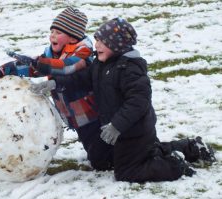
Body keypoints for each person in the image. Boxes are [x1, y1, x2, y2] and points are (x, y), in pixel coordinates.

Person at [31, 18, 216, 182]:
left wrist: (117, 126)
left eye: (102, 42)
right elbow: (82, 78)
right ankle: (187, 148)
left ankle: (175, 165)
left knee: (127, 172)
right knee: (100, 161)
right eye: (96, 40)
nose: (96, 45)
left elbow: (138, 103)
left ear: (117, 45)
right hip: (115, 131)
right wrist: (55, 83)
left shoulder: (131, 69)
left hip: (133, 132)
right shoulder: (101, 64)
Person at [0, 7, 100, 153]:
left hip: (91, 113)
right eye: (52, 31)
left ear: (72, 38)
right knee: (92, 149)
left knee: (100, 156)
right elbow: (32, 68)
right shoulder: (52, 53)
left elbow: (66, 67)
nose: (52, 35)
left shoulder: (83, 53)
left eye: (58, 33)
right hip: (73, 114)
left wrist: (37, 63)